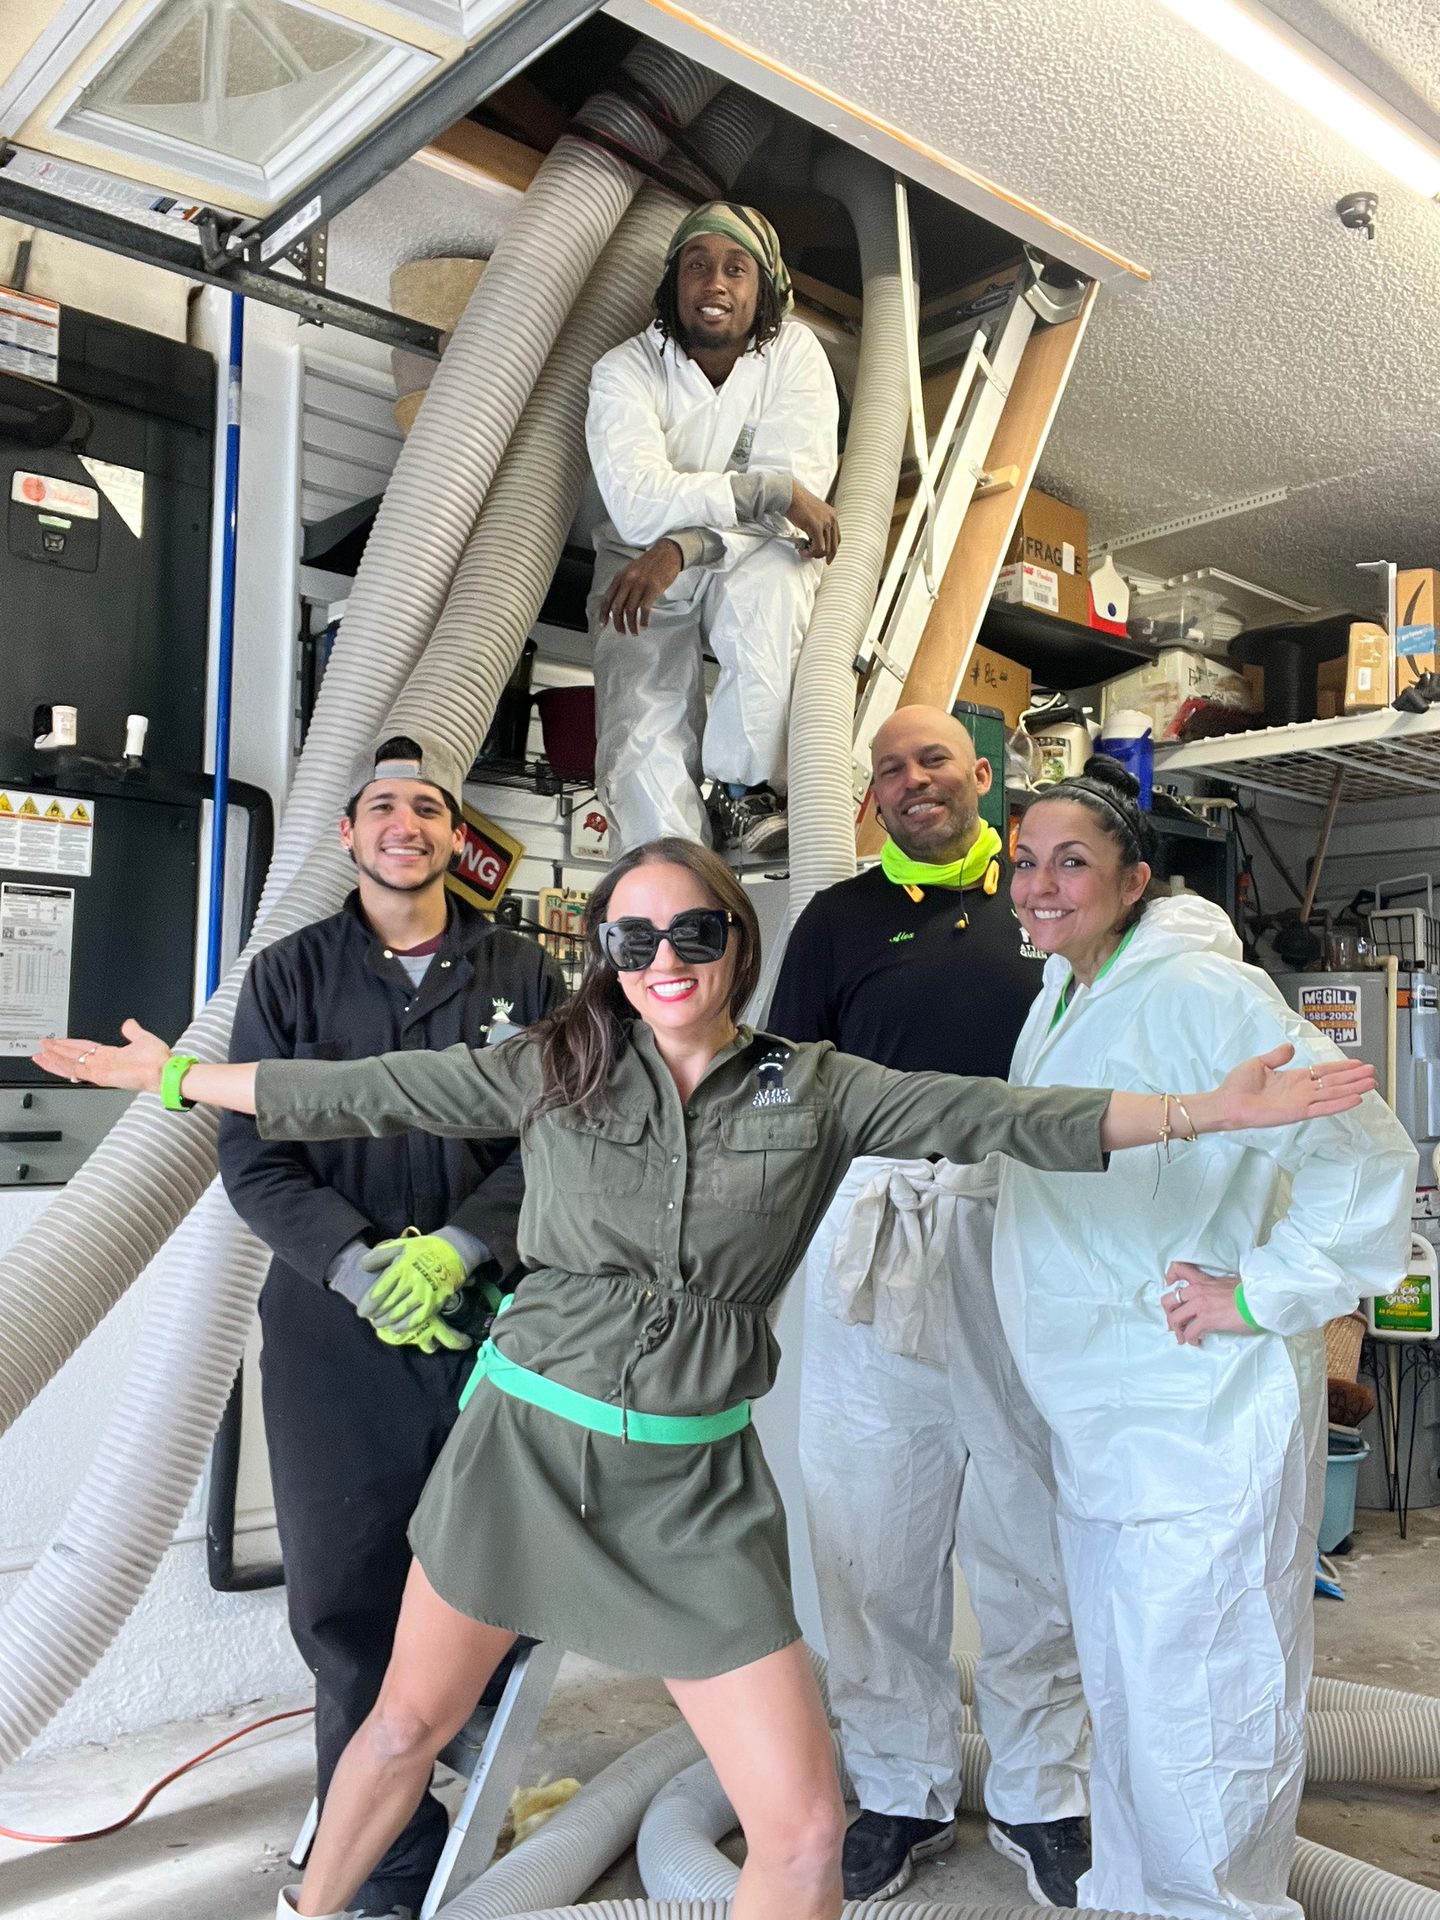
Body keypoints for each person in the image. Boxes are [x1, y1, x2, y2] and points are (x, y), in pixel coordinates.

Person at [36, 839, 1376, 1920]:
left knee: (799, 1827)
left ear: (737, 945)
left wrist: (1210, 1111)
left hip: (695, 1487)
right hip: (528, 1450)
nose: (663, 960)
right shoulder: (553, 1066)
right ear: (605, 958)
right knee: (399, 1730)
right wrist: (176, 1081)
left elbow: (1005, 1118)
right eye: (633, 939)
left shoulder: (818, 1085)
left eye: (693, 934)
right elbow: (358, 1088)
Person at [999, 759, 1416, 1920]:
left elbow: (1369, 1157)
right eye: (1025, 860)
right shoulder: (1065, 990)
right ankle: (1142, 1902)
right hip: (1110, 1418)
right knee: (1136, 1708)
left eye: (1071, 861)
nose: (1040, 884)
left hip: (1199, 1414)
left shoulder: (1200, 993)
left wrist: (1262, 1291)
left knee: (1205, 1710)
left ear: (1134, 880)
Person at [217, 731, 564, 1920]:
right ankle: (387, 1863)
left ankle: (465, 1775)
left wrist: (464, 1248)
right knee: (352, 1599)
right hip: (336, 1344)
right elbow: (251, 1154)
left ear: (453, 836)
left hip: (489, 1331)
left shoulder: (522, 968)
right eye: (384, 808)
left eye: (427, 807)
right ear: (350, 835)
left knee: (490, 1584)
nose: (406, 824)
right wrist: (360, 1268)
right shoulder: (289, 978)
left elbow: (562, 1141)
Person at [769, 705, 1090, 1907]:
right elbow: (782, 1089)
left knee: (1034, 1535)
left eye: (935, 760)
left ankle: (1042, 1793)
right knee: (871, 1535)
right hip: (877, 1240)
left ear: (983, 775)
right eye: (892, 768)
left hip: (1033, 1234)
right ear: (875, 794)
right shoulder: (838, 921)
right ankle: (899, 1789)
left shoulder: (1044, 903)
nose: (914, 781)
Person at [586, 200, 840, 856]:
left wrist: (688, 542)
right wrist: (770, 489)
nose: (716, 283)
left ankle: (741, 788)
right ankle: (671, 873)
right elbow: (639, 507)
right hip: (639, 566)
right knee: (640, 740)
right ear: (674, 284)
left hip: (742, 552)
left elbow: (796, 517)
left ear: (766, 289)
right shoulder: (625, 370)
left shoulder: (795, 357)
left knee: (778, 581)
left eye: (736, 268)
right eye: (697, 266)